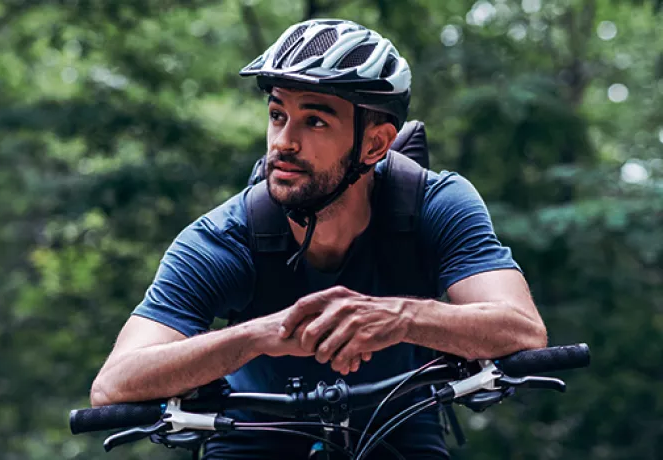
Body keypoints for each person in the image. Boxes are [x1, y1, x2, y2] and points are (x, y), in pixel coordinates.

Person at [89, 19, 547, 459]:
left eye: (315, 121)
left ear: (374, 144)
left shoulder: (434, 205)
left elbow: (523, 330)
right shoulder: (224, 239)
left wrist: (402, 317)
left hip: (399, 425)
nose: (283, 142)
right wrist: (260, 335)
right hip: (252, 432)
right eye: (277, 115)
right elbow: (115, 384)